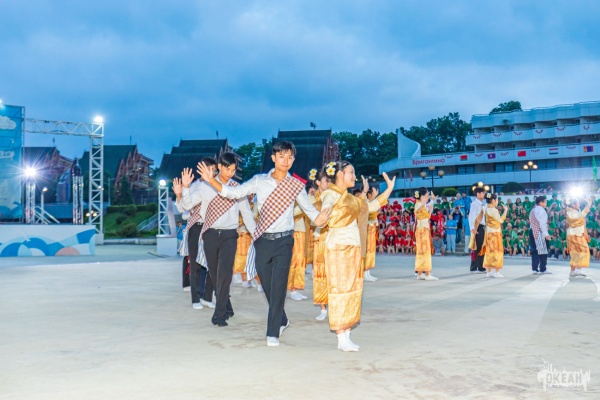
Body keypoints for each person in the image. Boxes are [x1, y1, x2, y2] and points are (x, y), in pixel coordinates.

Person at [197, 141, 330, 347]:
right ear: (273, 158)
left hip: (285, 240)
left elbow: (311, 213)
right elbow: (234, 193)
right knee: (267, 285)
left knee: (279, 286)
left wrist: (320, 220)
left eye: (290, 157)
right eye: (281, 156)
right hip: (263, 241)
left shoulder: (295, 186)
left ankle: (272, 332)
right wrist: (211, 181)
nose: (285, 161)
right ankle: (282, 319)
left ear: (293, 160)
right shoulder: (259, 181)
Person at [319, 160, 395, 351]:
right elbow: (326, 206)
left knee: (353, 289)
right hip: (338, 248)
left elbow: (371, 206)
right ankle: (340, 336)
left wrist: (389, 189)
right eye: (351, 172)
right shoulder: (330, 194)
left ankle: (346, 333)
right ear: (339, 175)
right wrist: (322, 215)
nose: (354, 176)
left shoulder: (352, 199)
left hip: (353, 247)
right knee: (339, 290)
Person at [181, 153, 257, 327]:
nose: (230, 173)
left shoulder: (237, 189)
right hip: (210, 234)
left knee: (225, 274)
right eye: (227, 169)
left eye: (233, 170)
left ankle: (219, 314)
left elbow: (246, 214)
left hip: (230, 235)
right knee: (215, 275)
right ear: (220, 167)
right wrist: (185, 188)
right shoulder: (205, 186)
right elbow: (187, 205)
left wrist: (257, 235)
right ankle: (226, 305)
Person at [173, 161, 215, 310]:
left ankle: (207, 297)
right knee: (195, 263)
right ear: (202, 170)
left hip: (212, 227)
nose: (212, 172)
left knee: (213, 264)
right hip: (196, 226)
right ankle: (195, 298)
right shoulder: (195, 186)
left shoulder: (217, 186)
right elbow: (183, 208)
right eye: (209, 169)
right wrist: (180, 193)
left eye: (214, 170)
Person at [309, 169, 330, 321]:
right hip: (320, 237)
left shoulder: (333, 196)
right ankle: (323, 308)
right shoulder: (311, 199)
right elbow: (311, 220)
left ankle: (335, 305)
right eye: (326, 181)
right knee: (321, 273)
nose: (329, 183)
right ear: (317, 182)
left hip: (333, 237)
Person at [414, 187, 439, 280]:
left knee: (422, 251)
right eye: (426, 195)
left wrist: (431, 203)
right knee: (425, 251)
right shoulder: (418, 204)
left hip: (423, 229)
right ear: (422, 196)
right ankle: (427, 274)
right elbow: (417, 211)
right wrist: (425, 204)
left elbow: (427, 216)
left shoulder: (421, 204)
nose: (428, 197)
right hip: (422, 230)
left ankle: (420, 273)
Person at [482, 193, 509, 277]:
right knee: (497, 251)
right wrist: (505, 211)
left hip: (489, 233)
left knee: (489, 252)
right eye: (496, 200)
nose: (497, 201)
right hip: (495, 233)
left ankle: (489, 272)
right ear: (493, 200)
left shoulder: (486, 209)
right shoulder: (494, 210)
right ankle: (496, 272)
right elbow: (500, 220)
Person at [565, 197, 592, 277]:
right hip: (576, 235)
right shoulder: (571, 212)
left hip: (574, 234)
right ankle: (577, 270)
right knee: (583, 250)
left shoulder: (571, 211)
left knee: (575, 252)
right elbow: (581, 215)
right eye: (578, 203)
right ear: (573, 205)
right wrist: (588, 205)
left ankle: (574, 270)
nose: (579, 205)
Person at [529, 196, 552, 274]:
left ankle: (534, 269)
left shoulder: (533, 210)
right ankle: (543, 268)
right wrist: (546, 234)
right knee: (543, 251)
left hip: (532, 231)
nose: (546, 203)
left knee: (535, 251)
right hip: (539, 232)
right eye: (545, 202)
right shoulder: (541, 211)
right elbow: (542, 224)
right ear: (541, 202)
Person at [468, 187, 487, 273]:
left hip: (482, 227)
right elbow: (471, 216)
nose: (484, 194)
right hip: (477, 227)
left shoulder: (482, 204)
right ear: (478, 194)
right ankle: (474, 267)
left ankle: (481, 266)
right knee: (476, 247)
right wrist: (472, 228)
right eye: (483, 193)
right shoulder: (474, 204)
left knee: (481, 246)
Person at [364, 188, 380, 282]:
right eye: (373, 193)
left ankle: (368, 272)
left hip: (372, 228)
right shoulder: (365, 202)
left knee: (371, 251)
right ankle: (364, 273)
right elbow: (369, 214)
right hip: (367, 228)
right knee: (367, 251)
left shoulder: (371, 203)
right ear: (369, 194)